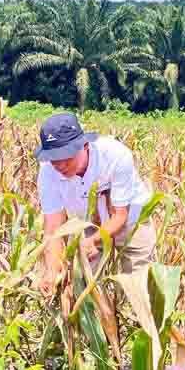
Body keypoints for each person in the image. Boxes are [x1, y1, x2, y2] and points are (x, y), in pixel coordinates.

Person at [36, 112, 156, 297]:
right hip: (88, 224)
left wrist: (93, 241)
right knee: (80, 288)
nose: (59, 165)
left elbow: (120, 216)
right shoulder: (48, 173)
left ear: (84, 146)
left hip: (132, 223)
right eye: (53, 158)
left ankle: (147, 322)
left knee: (140, 289)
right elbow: (53, 229)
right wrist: (52, 270)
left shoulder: (115, 155)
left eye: (65, 156)